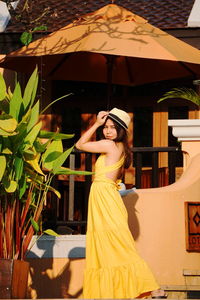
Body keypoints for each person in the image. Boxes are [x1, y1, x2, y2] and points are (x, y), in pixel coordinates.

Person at [75, 108, 167, 299]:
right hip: (105, 197)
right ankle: (118, 292)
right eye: (106, 127)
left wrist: (97, 124)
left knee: (117, 245)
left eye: (113, 127)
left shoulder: (110, 146)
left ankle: (153, 287)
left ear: (122, 130)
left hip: (105, 198)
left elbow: (80, 144)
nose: (108, 131)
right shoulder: (121, 148)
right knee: (111, 246)